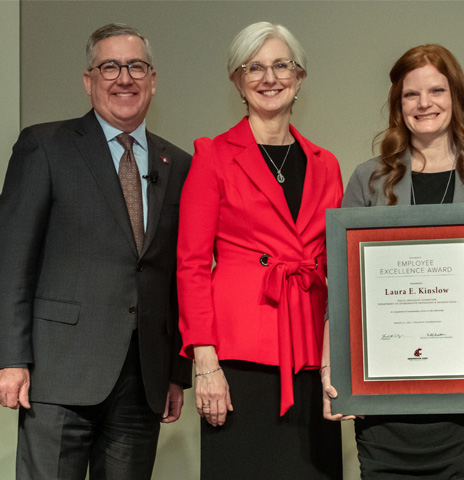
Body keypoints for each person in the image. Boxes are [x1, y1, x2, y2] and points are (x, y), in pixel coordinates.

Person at [322, 44, 464, 479]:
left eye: (436, 90)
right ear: (398, 105)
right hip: (382, 398)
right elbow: (341, 291)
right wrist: (331, 369)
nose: (424, 104)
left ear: (456, 97)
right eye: (411, 95)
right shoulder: (369, 178)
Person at [0, 23, 191, 479]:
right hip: (57, 373)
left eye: (136, 67)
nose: (124, 78)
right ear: (89, 80)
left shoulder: (179, 163)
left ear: (153, 80)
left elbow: (176, 273)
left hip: (143, 379)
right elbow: (12, 262)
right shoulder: (44, 146)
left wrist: (175, 371)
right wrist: (11, 357)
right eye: (110, 66)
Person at [176, 22, 343, 479]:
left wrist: (340, 362)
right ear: (238, 81)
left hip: (312, 354)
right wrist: (204, 363)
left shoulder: (326, 164)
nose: (270, 78)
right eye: (255, 67)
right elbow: (191, 265)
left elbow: (337, 267)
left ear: (300, 76)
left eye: (281, 65)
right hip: (238, 358)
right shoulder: (213, 156)